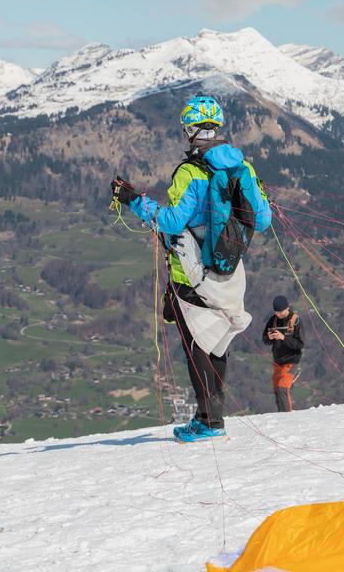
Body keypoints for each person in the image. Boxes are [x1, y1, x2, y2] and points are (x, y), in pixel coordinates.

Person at [110, 95, 271, 442]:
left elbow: (170, 220)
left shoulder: (190, 172)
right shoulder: (243, 168)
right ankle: (213, 418)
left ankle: (208, 422)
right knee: (216, 344)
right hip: (228, 269)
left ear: (190, 129)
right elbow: (265, 219)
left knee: (196, 344)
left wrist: (134, 200)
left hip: (191, 273)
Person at [263, 295, 304, 412]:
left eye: (280, 312)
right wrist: (269, 337)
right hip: (278, 362)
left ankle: (287, 416)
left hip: (291, 361)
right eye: (276, 312)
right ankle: (281, 414)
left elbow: (300, 344)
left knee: (282, 388)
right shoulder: (273, 320)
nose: (278, 314)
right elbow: (264, 339)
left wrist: (283, 337)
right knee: (277, 389)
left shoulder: (296, 321)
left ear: (287, 308)